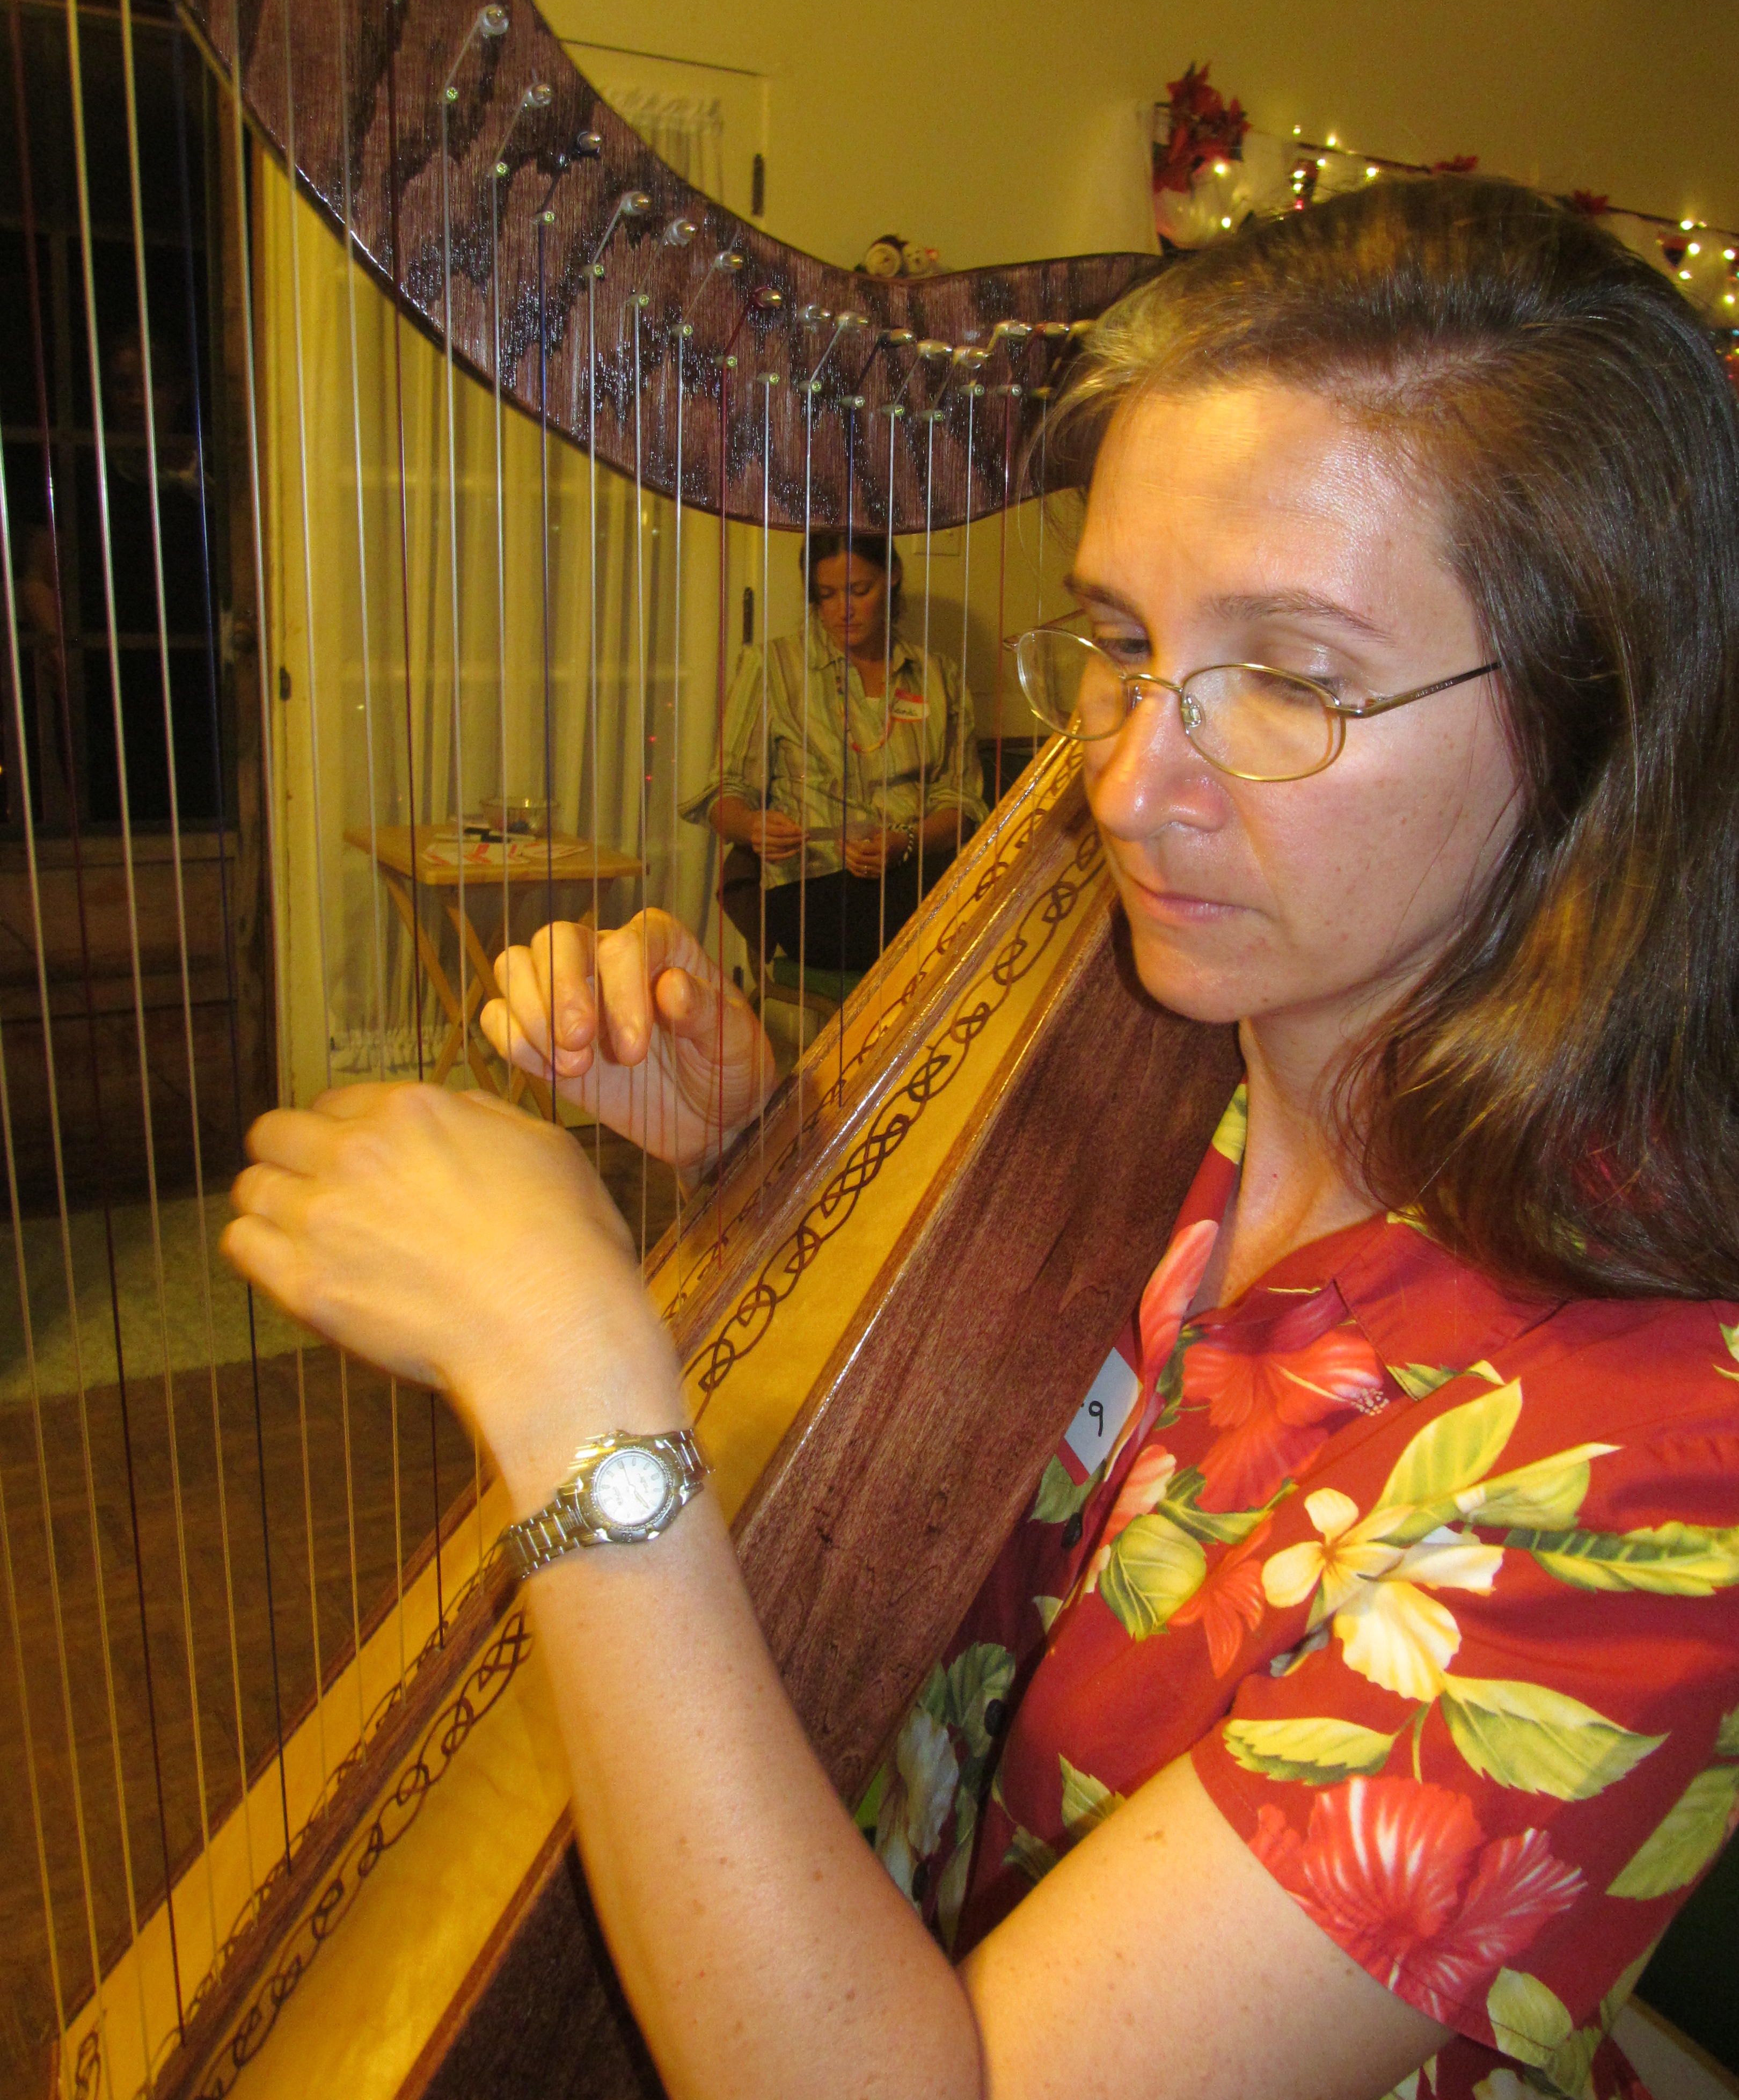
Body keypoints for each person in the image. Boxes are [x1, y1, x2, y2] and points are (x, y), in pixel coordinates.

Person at [222, 178, 1739, 2100]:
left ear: (1599, 718)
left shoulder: (1650, 1469)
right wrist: (757, 1140)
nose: (1130, 778)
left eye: (1289, 677)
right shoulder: (1148, 1036)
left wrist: (571, 1386)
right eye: (1116, 637)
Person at [682, 527, 988, 975]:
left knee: (968, 915)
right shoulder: (772, 668)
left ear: (893, 577)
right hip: (815, 884)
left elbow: (961, 803)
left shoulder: (938, 677)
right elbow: (724, 793)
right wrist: (752, 826)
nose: (843, 610)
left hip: (916, 871)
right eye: (826, 596)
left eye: (859, 591)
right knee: (928, 938)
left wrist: (905, 843)